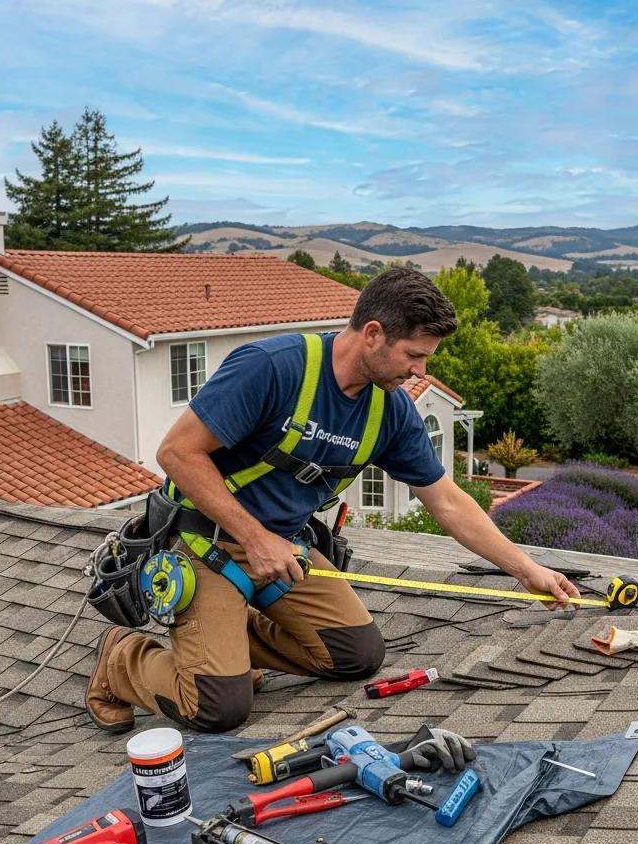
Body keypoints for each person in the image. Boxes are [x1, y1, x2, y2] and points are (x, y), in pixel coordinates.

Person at [86, 266, 579, 734]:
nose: (420, 370)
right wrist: (254, 539)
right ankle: (121, 659)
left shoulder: (389, 411)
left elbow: (447, 501)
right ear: (373, 333)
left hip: (283, 549)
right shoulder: (272, 368)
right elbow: (177, 452)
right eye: (413, 355)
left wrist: (526, 570)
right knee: (218, 708)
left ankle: (225, 644)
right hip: (206, 541)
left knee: (355, 655)